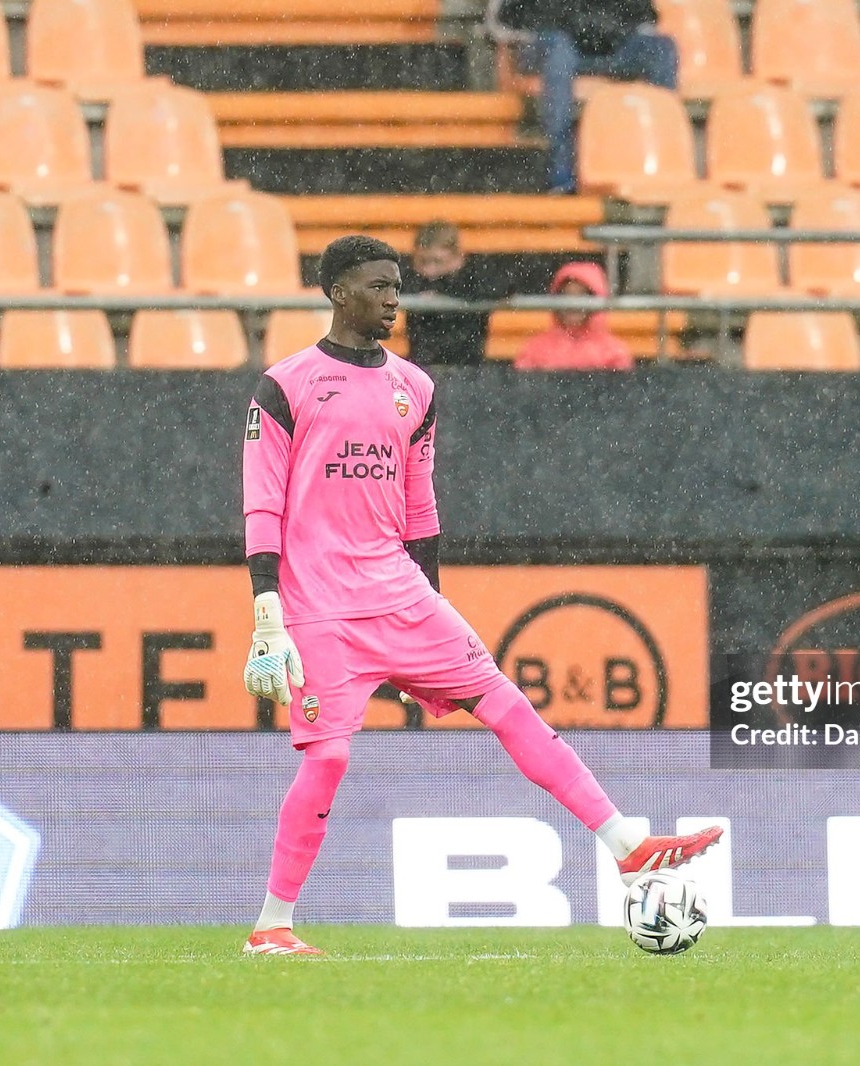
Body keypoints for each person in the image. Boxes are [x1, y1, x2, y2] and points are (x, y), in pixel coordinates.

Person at [239, 234, 721, 956]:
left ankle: (624, 842)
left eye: (397, 285)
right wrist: (266, 612)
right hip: (321, 606)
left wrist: (426, 612)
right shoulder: (286, 385)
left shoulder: (417, 388)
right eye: (378, 285)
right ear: (338, 292)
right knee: (330, 758)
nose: (393, 298)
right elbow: (261, 503)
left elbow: (420, 508)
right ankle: (271, 925)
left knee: (505, 701)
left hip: (401, 595)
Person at [488, 0, 678, 193]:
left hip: (608, 44)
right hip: (547, 45)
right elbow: (502, 21)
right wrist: (562, 21)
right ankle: (560, 178)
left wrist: (606, 27)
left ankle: (668, 157)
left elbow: (646, 18)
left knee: (663, 48)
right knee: (558, 49)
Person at [403, 220, 501, 368]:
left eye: (437, 262)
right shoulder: (412, 279)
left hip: (468, 371)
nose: (430, 271)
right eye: (423, 262)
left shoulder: (473, 278)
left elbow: (503, 287)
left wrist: (444, 290)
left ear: (458, 258)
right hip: (422, 369)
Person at [516, 261, 635, 371]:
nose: (573, 304)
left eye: (581, 296)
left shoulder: (614, 353)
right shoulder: (535, 350)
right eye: (566, 295)